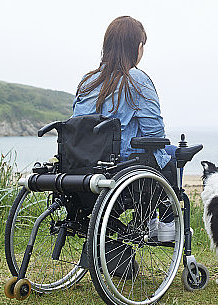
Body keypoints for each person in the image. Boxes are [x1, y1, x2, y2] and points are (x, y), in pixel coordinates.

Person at [71, 15, 176, 240]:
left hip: (82, 166)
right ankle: (164, 222)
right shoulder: (136, 79)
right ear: (137, 47)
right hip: (119, 167)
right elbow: (155, 134)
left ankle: (148, 220)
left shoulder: (87, 81)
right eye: (142, 46)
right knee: (172, 154)